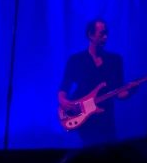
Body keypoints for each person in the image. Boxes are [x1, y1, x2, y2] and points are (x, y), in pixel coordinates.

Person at [57, 19, 136, 147]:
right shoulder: (76, 60)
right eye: (102, 33)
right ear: (91, 35)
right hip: (84, 117)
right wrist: (63, 101)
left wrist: (133, 89)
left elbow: (119, 94)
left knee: (111, 155)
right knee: (91, 155)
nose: (105, 37)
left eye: (107, 34)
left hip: (106, 117)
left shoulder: (115, 60)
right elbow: (64, 87)